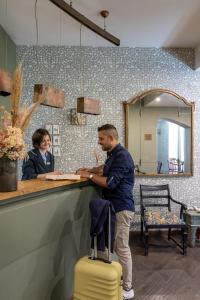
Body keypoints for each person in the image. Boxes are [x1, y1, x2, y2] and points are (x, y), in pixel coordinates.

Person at [77, 124, 135, 300]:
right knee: (116, 246)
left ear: (111, 138)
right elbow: (105, 168)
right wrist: (91, 169)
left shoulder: (123, 156)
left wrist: (90, 176)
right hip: (112, 206)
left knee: (122, 248)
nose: (99, 141)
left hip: (122, 208)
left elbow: (110, 182)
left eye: (101, 138)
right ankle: (118, 281)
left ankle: (128, 288)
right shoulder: (113, 154)